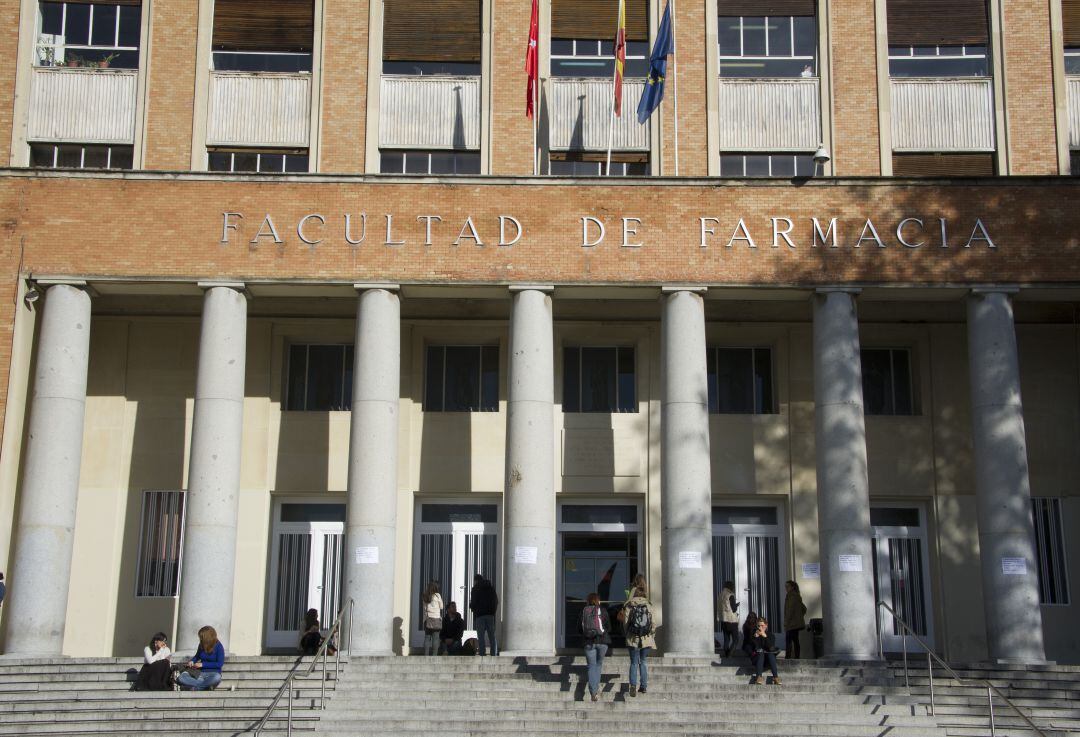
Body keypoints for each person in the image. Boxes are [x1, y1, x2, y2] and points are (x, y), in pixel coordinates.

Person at [620, 574, 655, 697]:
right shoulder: (648, 604)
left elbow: (626, 622)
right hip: (646, 638)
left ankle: (633, 685)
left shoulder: (630, 604)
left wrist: (627, 634)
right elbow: (653, 623)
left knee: (634, 663)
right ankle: (644, 686)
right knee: (643, 662)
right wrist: (651, 635)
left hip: (632, 638)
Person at [579, 592, 611, 702]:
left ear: (588, 600)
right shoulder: (603, 610)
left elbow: (579, 628)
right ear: (598, 600)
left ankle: (593, 692)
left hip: (588, 642)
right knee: (598, 665)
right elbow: (609, 627)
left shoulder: (584, 611)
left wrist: (588, 634)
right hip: (602, 642)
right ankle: (595, 690)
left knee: (591, 666)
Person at [176, 625, 225, 691]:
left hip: (213, 674)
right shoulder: (201, 644)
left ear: (208, 637)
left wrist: (203, 664)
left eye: (202, 637)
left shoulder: (219, 646)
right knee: (181, 678)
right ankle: (204, 687)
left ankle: (196, 687)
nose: (200, 639)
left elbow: (219, 664)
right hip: (200, 674)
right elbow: (197, 656)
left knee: (217, 678)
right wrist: (192, 661)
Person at [469, 574, 499, 656]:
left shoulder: (475, 589)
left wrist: (472, 607)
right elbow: (496, 601)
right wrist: (493, 612)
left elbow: (474, 602)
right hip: (490, 615)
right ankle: (494, 653)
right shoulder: (491, 588)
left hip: (479, 615)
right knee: (492, 635)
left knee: (481, 636)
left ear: (476, 580)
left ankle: (482, 653)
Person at [749, 616, 781, 685]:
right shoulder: (754, 635)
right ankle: (759, 677)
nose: (760, 627)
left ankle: (776, 677)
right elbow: (753, 649)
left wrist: (765, 636)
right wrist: (755, 638)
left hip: (768, 660)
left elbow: (771, 648)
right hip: (757, 659)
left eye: (762, 625)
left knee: (770, 654)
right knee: (760, 653)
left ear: (766, 625)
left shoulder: (770, 635)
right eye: (758, 626)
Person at [783, 580, 807, 659]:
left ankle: (788, 657)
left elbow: (790, 610)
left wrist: (787, 621)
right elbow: (804, 608)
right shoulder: (796, 595)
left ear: (792, 587)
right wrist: (799, 617)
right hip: (795, 623)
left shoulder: (792, 596)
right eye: (785, 586)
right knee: (795, 640)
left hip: (792, 623)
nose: (786, 588)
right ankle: (796, 657)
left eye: (788, 586)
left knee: (789, 640)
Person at [422, 580, 444, 656]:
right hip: (436, 619)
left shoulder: (425, 595)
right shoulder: (437, 595)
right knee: (436, 638)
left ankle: (426, 655)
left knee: (427, 638)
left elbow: (425, 608)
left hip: (428, 619)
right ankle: (434, 655)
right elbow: (441, 607)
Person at [718, 580, 739, 657]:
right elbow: (733, 609)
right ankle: (729, 655)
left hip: (723, 620)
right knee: (735, 640)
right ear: (731, 587)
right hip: (731, 621)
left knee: (726, 639)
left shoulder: (720, 595)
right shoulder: (730, 595)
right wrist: (736, 605)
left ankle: (726, 654)